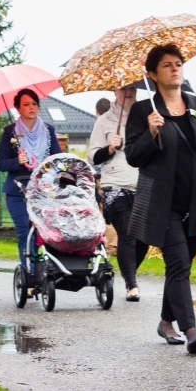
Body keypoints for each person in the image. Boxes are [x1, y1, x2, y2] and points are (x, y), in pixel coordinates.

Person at [126, 43, 196, 355]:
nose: (175, 68)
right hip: (162, 204)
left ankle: (166, 321)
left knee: (182, 264)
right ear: (152, 74)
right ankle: (191, 330)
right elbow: (133, 156)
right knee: (178, 262)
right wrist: (150, 134)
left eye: (178, 63)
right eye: (167, 65)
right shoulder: (143, 111)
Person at [88, 84, 149, 302]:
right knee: (128, 233)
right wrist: (109, 148)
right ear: (115, 91)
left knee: (144, 238)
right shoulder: (104, 121)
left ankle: (127, 272)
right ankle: (132, 285)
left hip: (143, 183)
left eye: (132, 88)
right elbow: (92, 156)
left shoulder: (147, 116)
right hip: (114, 184)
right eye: (123, 89)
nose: (128, 92)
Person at [0, 88, 62, 266]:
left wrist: (50, 169)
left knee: (44, 232)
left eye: (34, 104)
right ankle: (29, 272)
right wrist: (16, 161)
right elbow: (1, 163)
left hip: (43, 190)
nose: (31, 107)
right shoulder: (10, 132)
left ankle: (44, 269)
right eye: (26, 104)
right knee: (25, 232)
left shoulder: (48, 130)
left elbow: (58, 159)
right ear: (18, 109)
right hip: (17, 191)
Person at [94, 95, 118, 256]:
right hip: (115, 176)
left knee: (105, 213)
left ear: (97, 112)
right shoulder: (115, 127)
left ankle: (111, 247)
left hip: (103, 177)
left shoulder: (101, 127)